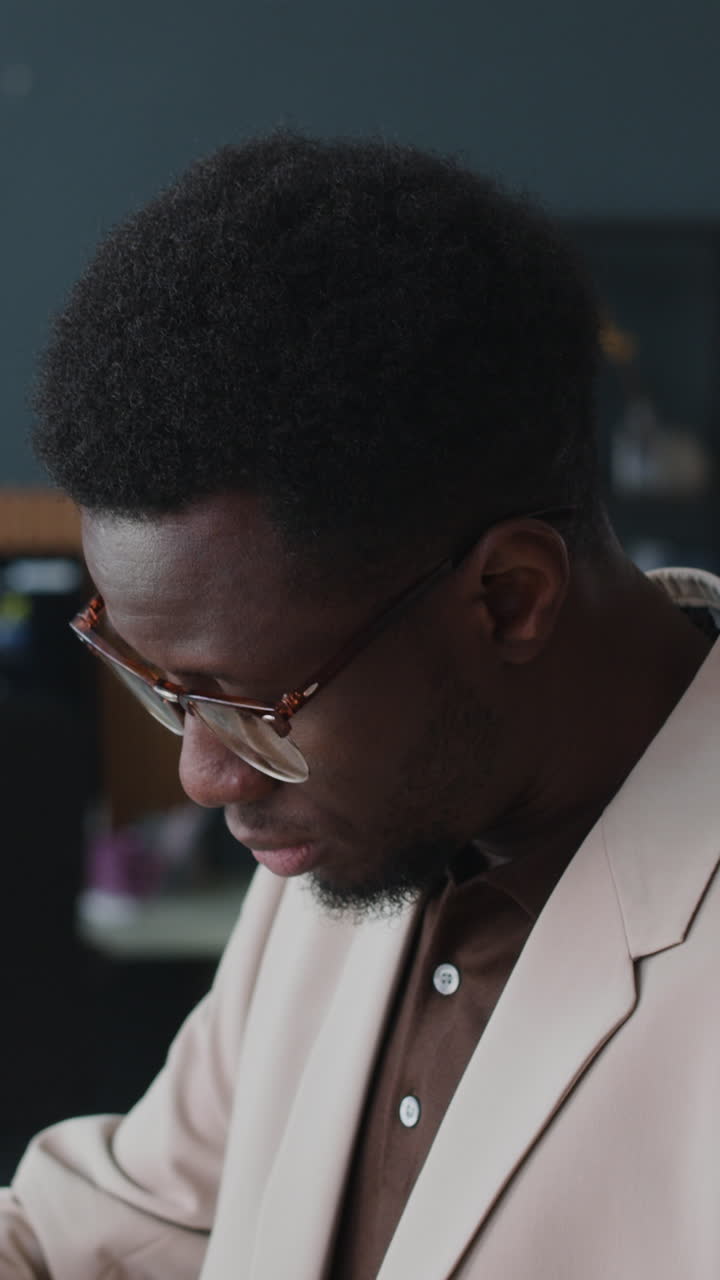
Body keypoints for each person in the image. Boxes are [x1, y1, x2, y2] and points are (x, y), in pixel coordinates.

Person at [2, 133, 719, 1279]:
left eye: (251, 702)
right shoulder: (363, 825)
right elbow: (118, 1233)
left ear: (508, 596)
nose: (204, 774)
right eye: (162, 688)